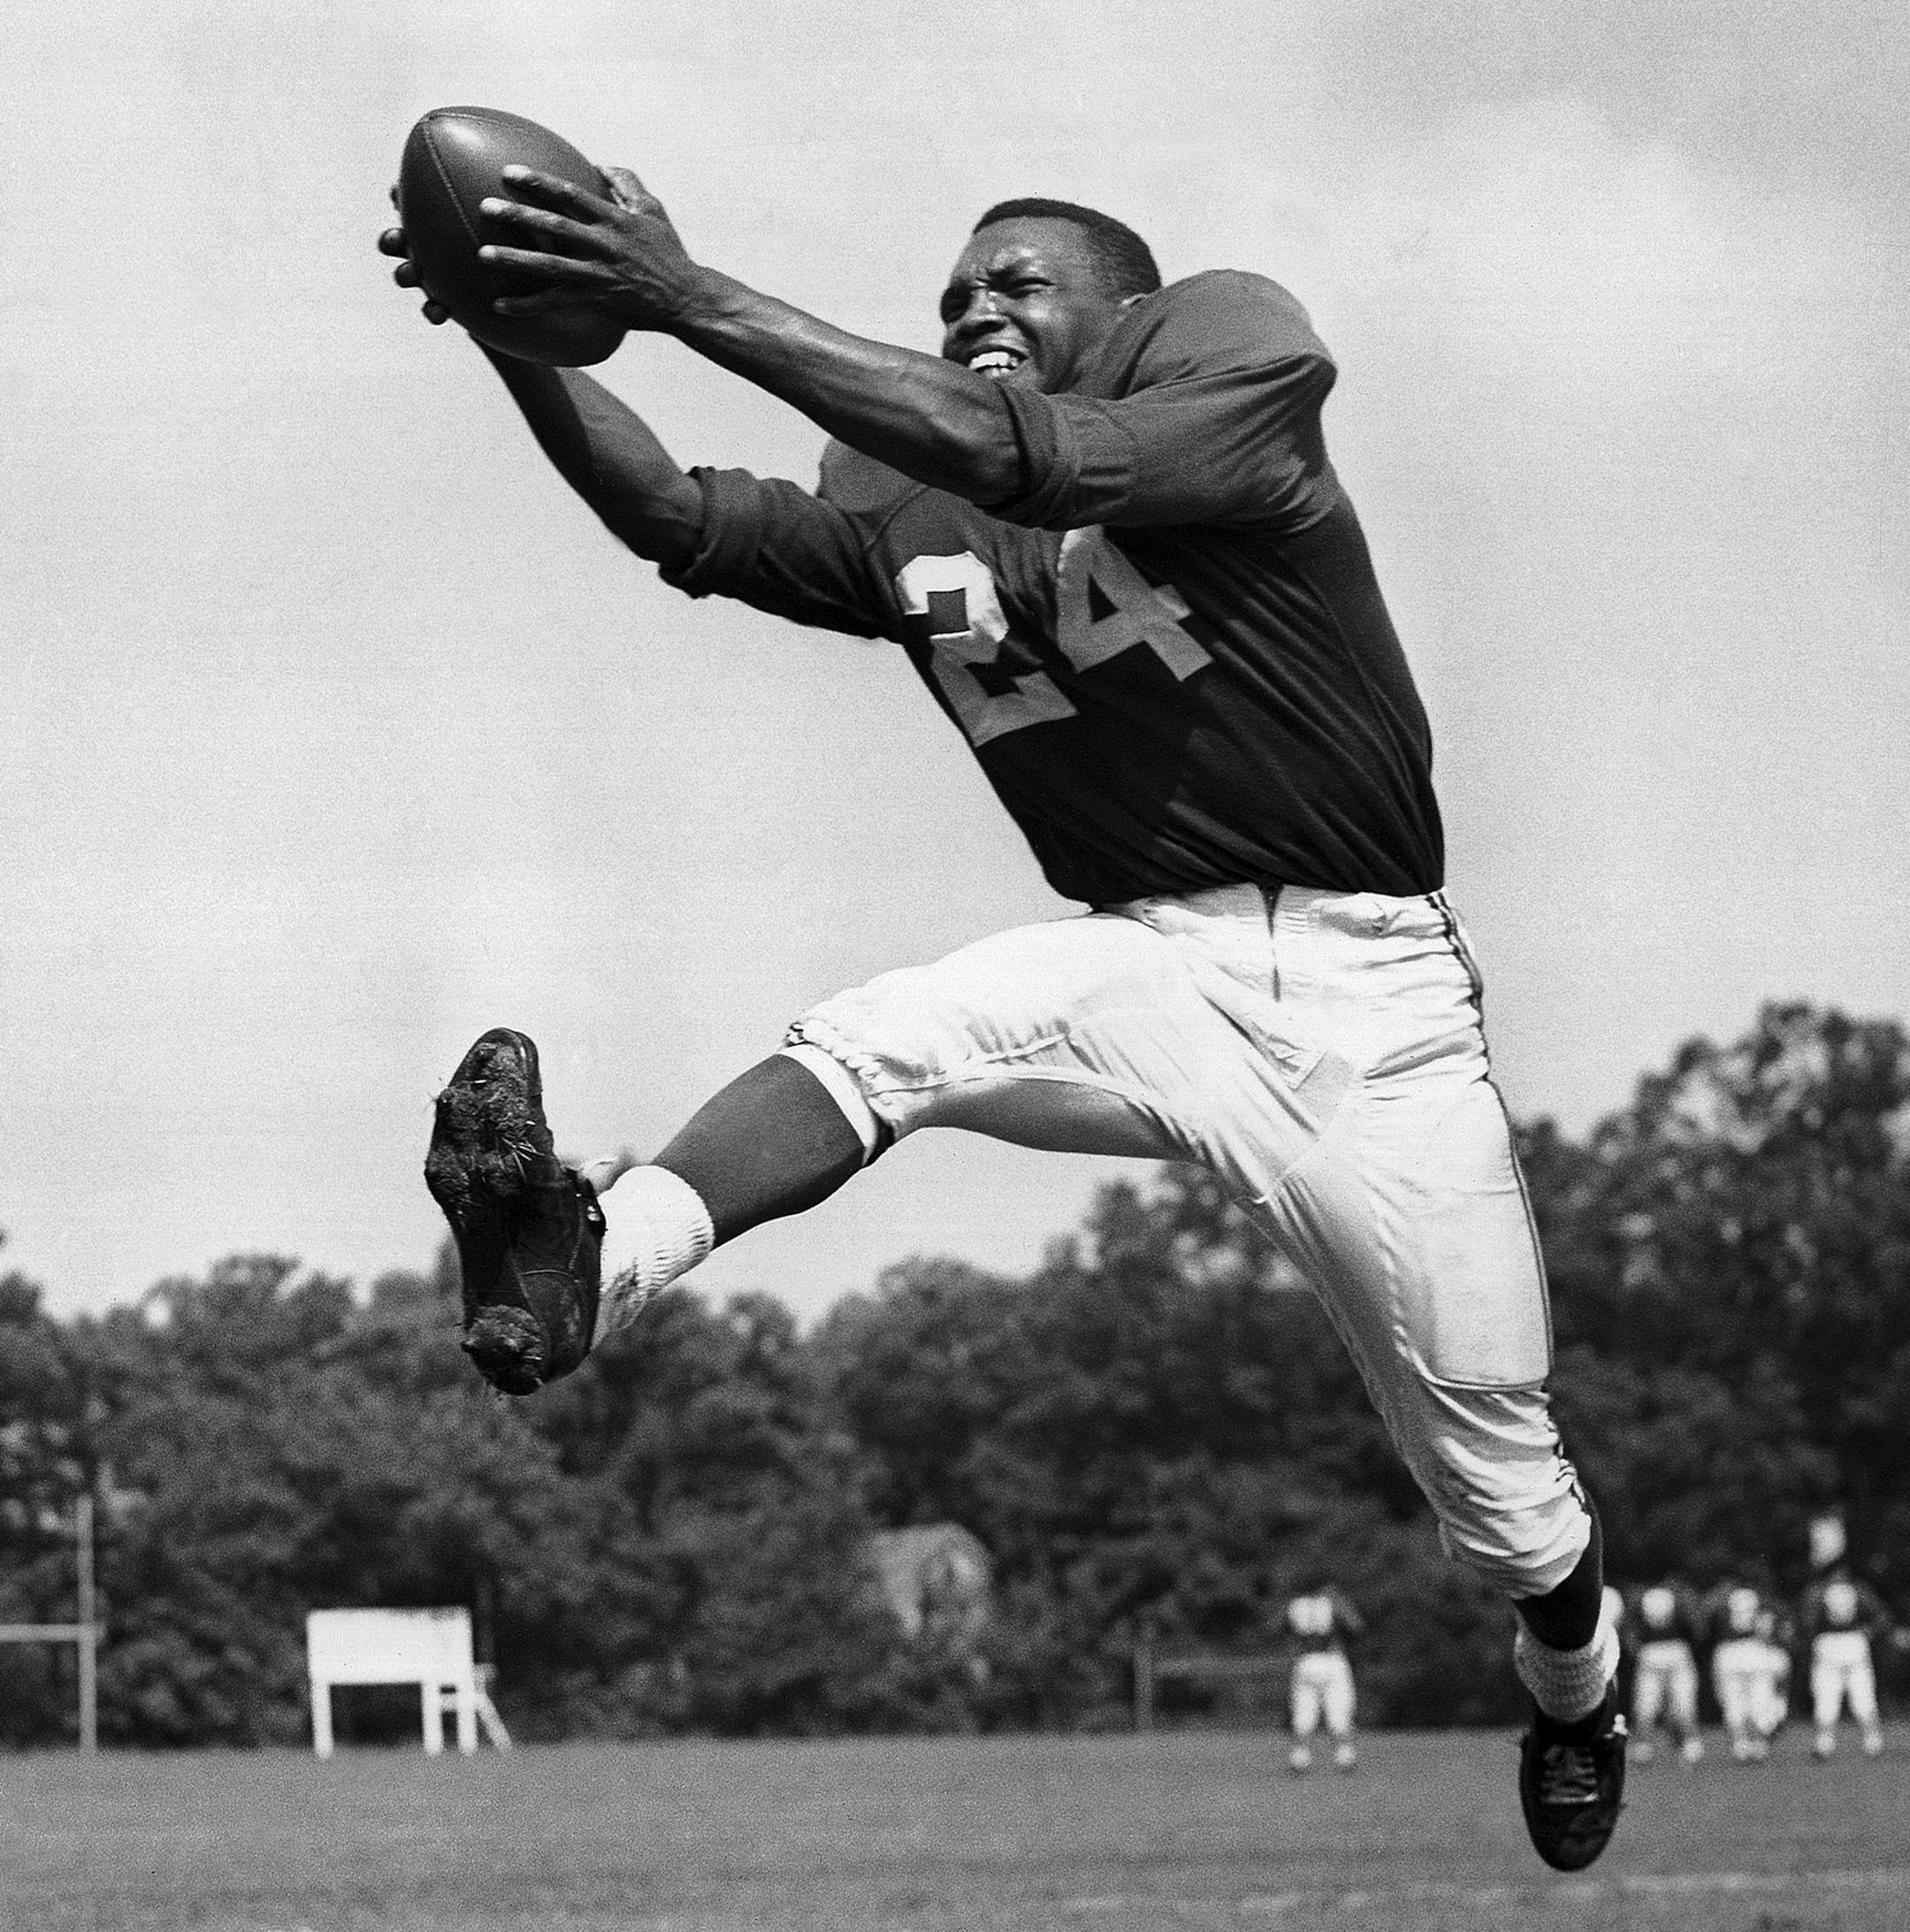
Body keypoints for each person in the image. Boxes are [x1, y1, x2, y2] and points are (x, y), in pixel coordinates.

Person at [380, 158, 1625, 1869]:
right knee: (893, 1034)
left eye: (1022, 282)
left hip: (1370, 994)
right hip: (1143, 965)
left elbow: (1036, 458)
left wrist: (678, 291)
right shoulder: (913, 496)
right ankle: (584, 1265)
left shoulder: (1230, 357)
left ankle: (1575, 1687)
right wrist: (504, 324)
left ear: (1129, 311)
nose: (977, 305)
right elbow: (677, 513)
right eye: (956, 291)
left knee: (1501, 1489)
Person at [1799, 1561, 1892, 1760]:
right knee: (1862, 1693)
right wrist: (1870, 1630)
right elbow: (1882, 1616)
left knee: (1827, 1695)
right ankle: (1872, 1740)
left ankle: (1824, 1743)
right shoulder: (1858, 1589)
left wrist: (1812, 1640)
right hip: (1854, 1641)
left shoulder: (1818, 1591)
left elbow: (1807, 1622)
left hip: (1828, 1641)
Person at [1284, 1584, 1363, 1773]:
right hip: (1332, 1660)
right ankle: (1344, 1756)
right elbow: (1355, 1625)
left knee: (1303, 1711)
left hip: (1304, 1661)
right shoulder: (1332, 1600)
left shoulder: (1295, 1602)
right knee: (1339, 1711)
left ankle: (1300, 1756)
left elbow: (1272, 1628)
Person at [1627, 1581, 1705, 1766]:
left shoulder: (1640, 1602)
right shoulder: (1681, 1600)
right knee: (1671, 1702)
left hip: (1655, 1652)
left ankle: (1645, 1747)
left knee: (1652, 1703)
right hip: (1671, 1651)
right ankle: (1689, 1744)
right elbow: (1696, 1631)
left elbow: (1630, 1635)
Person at [1707, 1581, 1778, 1763]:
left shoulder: (1720, 1606)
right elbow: (1766, 1630)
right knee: (1758, 1703)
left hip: (1729, 1653)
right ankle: (1758, 1743)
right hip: (1754, 1651)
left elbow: (1709, 1631)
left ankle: (1741, 1743)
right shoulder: (1760, 1604)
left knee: (1734, 1703)